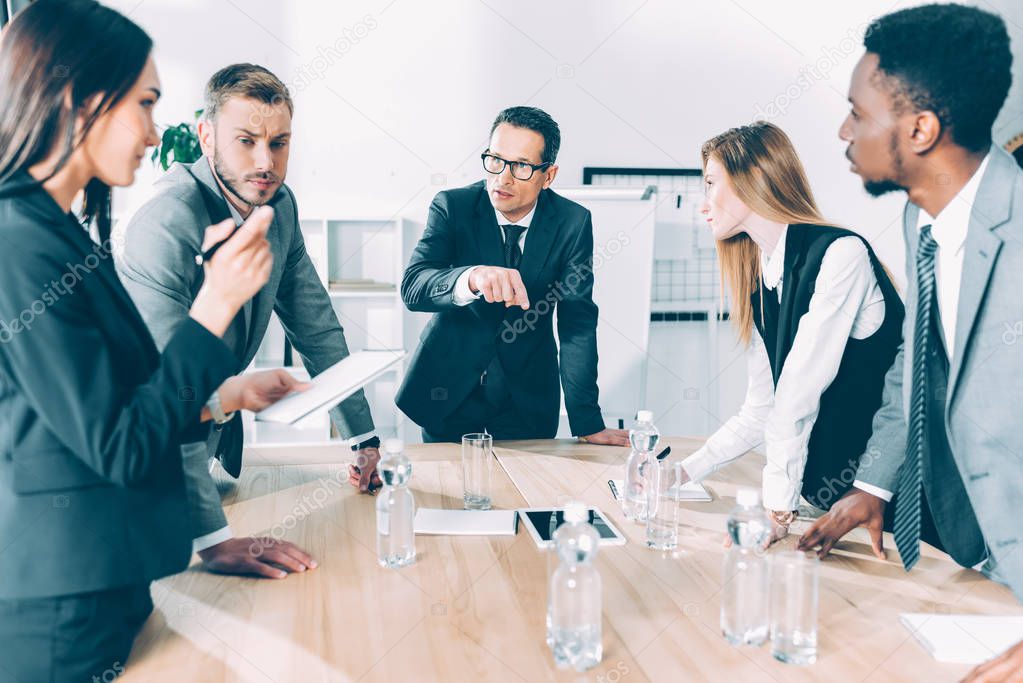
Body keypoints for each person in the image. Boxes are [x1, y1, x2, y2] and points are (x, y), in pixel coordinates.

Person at [0, 1, 304, 678]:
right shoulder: (17, 243)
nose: (152, 129)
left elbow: (107, 409)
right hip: (57, 614)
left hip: (107, 591)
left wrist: (220, 398)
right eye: (144, 102)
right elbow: (119, 445)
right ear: (80, 98)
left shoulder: (53, 232)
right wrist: (215, 305)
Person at [791, 5, 1023, 679]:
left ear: (919, 129)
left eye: (857, 114)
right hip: (976, 558)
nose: (843, 130)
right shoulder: (918, 223)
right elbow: (915, 364)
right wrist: (870, 483)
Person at [116, 64, 383, 579]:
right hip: (140, 478)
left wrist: (363, 441)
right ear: (207, 136)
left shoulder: (278, 206)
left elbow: (316, 326)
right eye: (246, 141)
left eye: (279, 143)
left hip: (208, 459)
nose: (266, 162)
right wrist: (214, 541)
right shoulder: (164, 223)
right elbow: (170, 393)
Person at [672, 121, 903, 543]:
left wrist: (776, 511)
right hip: (825, 499)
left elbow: (797, 396)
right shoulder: (760, 278)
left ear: (752, 180)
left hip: (888, 498)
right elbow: (762, 409)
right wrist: (682, 471)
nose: (703, 204)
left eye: (710, 184)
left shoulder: (840, 254)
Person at [397, 106, 628, 445]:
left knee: (527, 496)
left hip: (527, 396)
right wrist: (471, 278)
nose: (503, 177)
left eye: (521, 166)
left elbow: (576, 324)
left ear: (548, 175)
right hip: (448, 388)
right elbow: (414, 287)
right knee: (448, 493)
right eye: (495, 160)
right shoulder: (452, 206)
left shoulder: (573, 223)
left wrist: (587, 421)